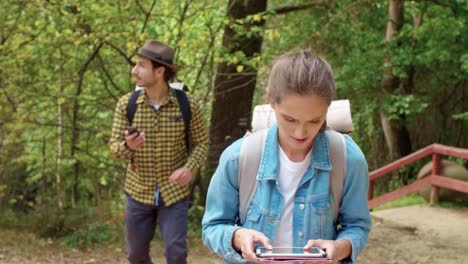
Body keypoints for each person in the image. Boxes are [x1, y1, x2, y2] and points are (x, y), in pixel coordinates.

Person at [202, 50, 371, 263]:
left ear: (328, 107)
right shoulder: (239, 157)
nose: (301, 133)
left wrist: (340, 247)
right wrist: (237, 236)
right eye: (289, 119)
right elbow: (212, 227)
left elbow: (358, 226)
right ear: (271, 99)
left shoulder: (348, 159)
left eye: (314, 121)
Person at [109, 39, 209, 264]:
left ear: (160, 71)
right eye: (136, 64)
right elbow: (114, 149)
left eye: (141, 65)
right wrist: (128, 147)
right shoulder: (127, 104)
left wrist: (189, 169)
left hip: (174, 194)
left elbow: (202, 143)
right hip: (138, 191)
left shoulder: (187, 104)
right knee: (135, 255)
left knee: (176, 252)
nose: (135, 70)